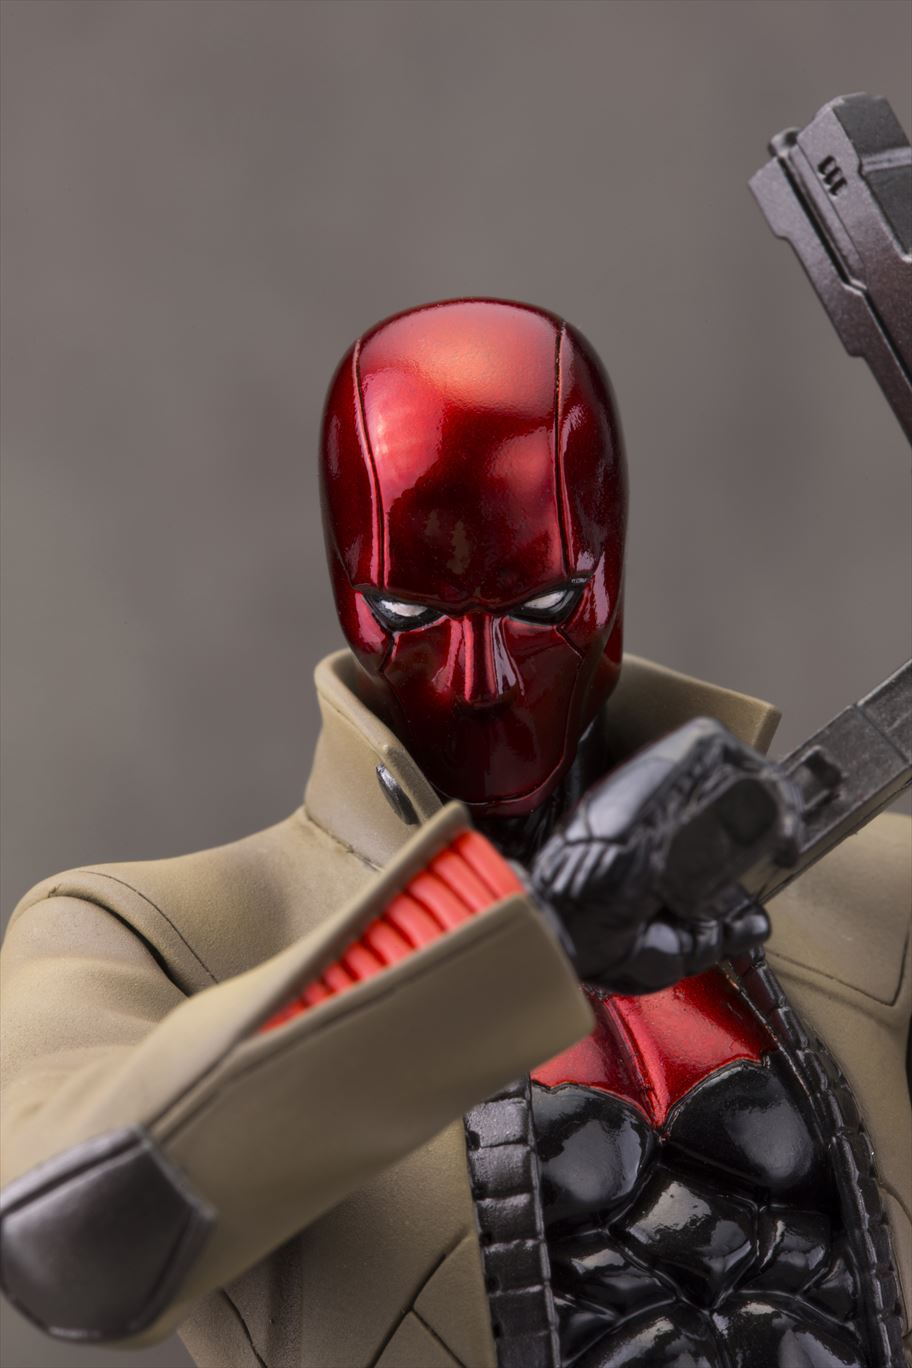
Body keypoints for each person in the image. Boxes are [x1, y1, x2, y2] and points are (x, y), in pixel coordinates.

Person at [1, 299, 908, 1368]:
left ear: (612, 569)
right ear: (342, 582)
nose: (483, 679)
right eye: (410, 613)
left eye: (543, 601)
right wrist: (528, 938)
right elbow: (64, 1247)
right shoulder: (155, 935)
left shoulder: (875, 891)